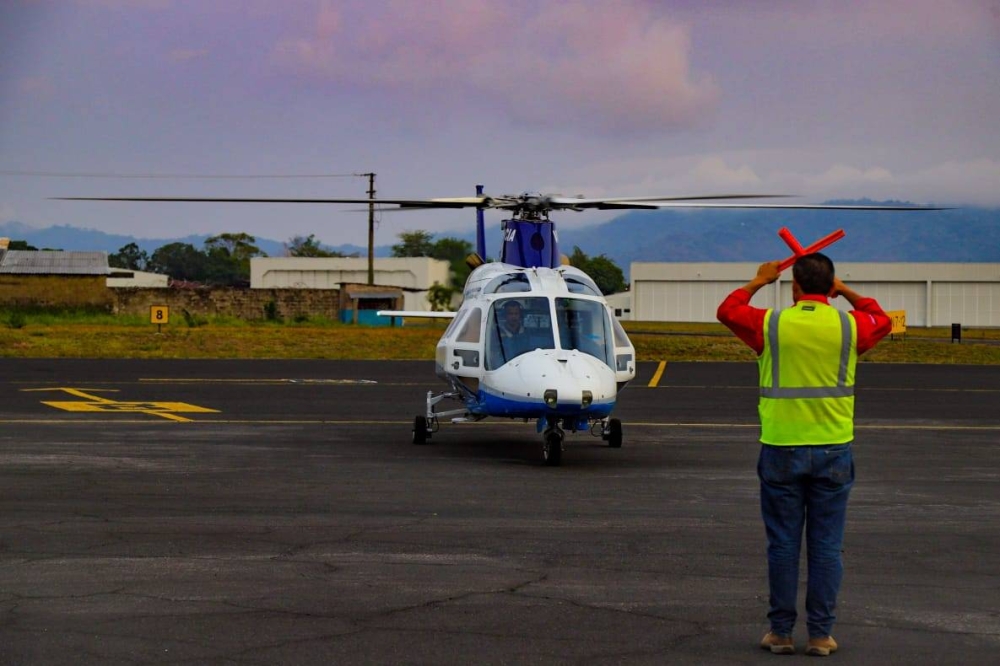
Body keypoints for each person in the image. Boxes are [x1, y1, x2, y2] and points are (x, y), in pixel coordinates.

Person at [716, 253, 891, 657]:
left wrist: (759, 280)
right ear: (830, 286)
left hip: (781, 447)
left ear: (794, 287)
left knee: (783, 545)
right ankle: (820, 635)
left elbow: (728, 310)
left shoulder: (772, 324)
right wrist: (846, 292)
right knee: (827, 546)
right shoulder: (849, 326)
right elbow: (880, 317)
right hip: (833, 448)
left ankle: (780, 633)